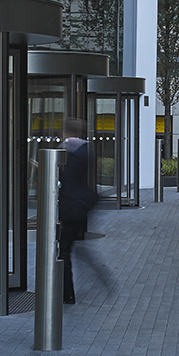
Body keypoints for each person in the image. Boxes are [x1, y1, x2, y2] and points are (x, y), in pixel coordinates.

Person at [57, 117, 109, 305]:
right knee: (70, 247)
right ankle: (69, 291)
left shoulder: (69, 150)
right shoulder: (85, 150)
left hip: (72, 206)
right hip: (82, 205)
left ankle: (67, 294)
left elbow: (67, 181)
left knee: (64, 250)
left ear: (66, 131)